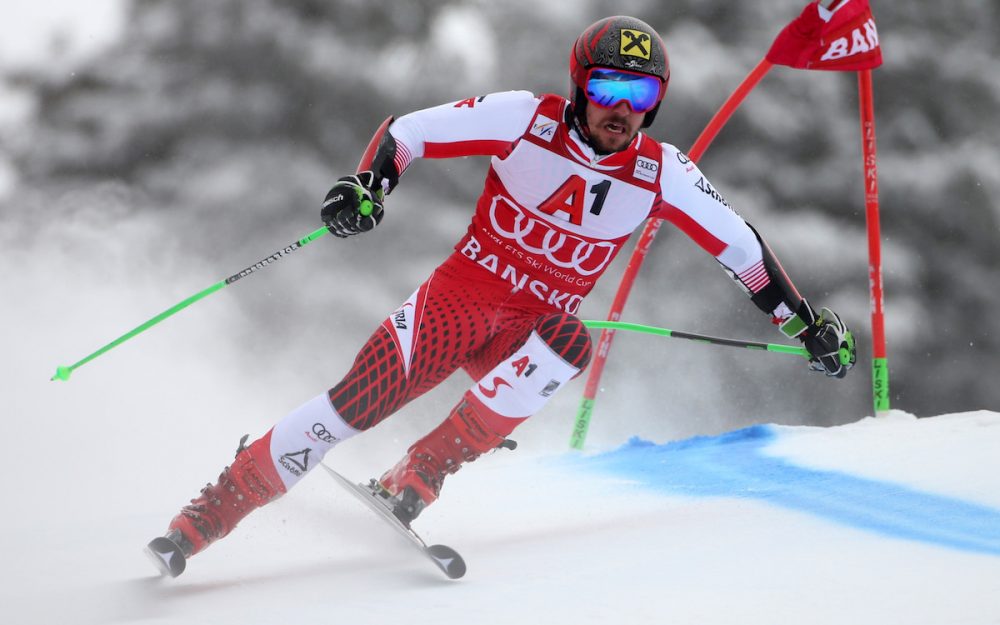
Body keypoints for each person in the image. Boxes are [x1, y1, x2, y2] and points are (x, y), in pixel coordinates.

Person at [146, 15, 856, 576]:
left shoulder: (662, 171)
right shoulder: (524, 118)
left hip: (528, 329)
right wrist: (372, 186)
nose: (622, 110)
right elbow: (408, 133)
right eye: (609, 89)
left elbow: (744, 251)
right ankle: (204, 517)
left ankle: (419, 475)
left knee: (570, 341)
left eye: (640, 97)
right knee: (350, 409)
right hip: (454, 305)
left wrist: (805, 324)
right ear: (580, 86)